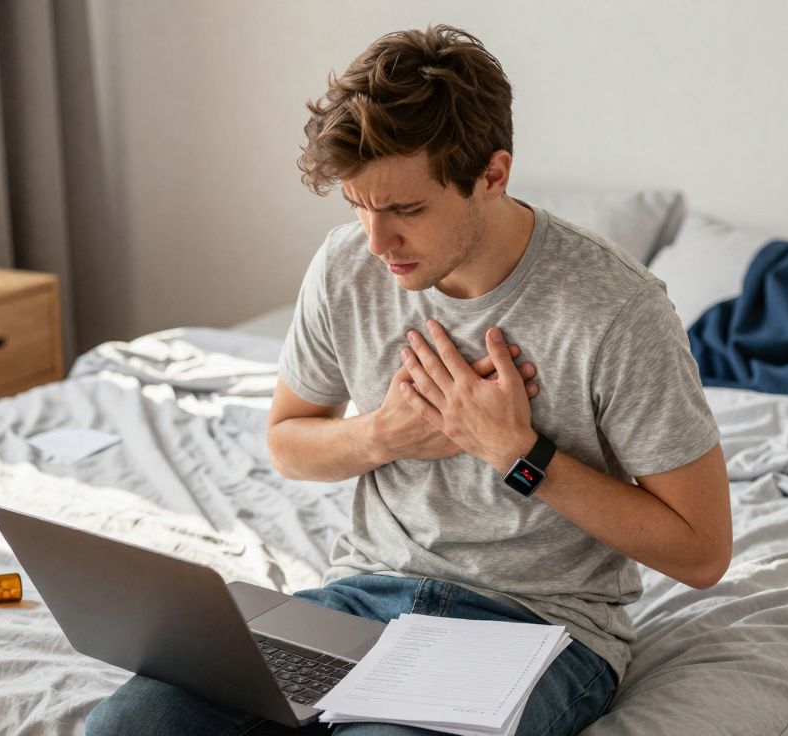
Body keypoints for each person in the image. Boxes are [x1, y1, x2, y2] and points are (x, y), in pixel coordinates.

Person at [86, 24, 732, 736]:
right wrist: (383, 435)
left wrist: (519, 455)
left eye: (406, 210)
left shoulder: (616, 310)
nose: (376, 242)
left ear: (493, 175)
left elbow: (702, 551)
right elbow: (288, 441)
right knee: (127, 726)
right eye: (358, 205)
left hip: (537, 627)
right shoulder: (346, 266)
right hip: (362, 601)